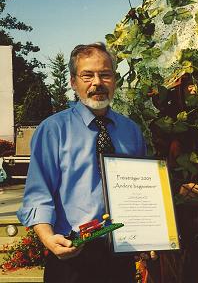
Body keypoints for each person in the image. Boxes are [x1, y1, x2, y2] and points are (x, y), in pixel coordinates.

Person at [17, 42, 147, 283]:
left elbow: (143, 190)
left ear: (114, 80)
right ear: (73, 82)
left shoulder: (132, 132)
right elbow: (38, 193)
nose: (97, 82)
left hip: (120, 254)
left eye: (105, 74)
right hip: (71, 253)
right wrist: (47, 238)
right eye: (87, 75)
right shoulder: (53, 130)